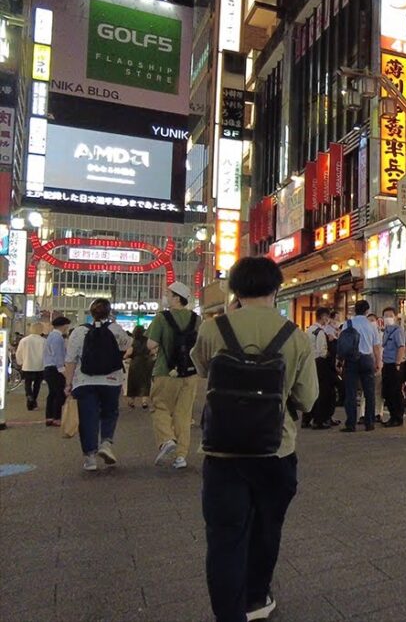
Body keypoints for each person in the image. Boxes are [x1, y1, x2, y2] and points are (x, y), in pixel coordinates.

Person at [191, 256, 317, 622]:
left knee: (225, 537)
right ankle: (256, 599)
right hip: (276, 452)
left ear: (235, 291)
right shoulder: (294, 335)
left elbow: (202, 368)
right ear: (277, 289)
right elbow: (308, 399)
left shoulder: (214, 329)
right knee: (267, 529)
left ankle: (229, 614)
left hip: (222, 452)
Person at [64, 299, 133, 471]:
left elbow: (70, 360)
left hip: (84, 381)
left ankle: (90, 457)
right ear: (109, 312)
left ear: (90, 313)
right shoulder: (115, 330)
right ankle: (106, 443)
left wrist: (68, 383)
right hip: (111, 380)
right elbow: (128, 346)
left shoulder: (79, 332)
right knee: (110, 412)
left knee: (88, 418)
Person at [146, 281, 201, 470]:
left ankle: (167, 439)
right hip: (191, 373)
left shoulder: (162, 318)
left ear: (177, 297)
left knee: (159, 407)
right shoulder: (196, 319)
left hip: (165, 371)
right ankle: (181, 457)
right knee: (183, 414)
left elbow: (150, 345)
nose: (166, 297)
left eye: (168, 294)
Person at [340, 300, 382, 432]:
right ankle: (369, 423)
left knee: (351, 392)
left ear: (354, 310)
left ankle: (350, 424)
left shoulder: (348, 323)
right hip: (367, 359)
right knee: (369, 392)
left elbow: (343, 344)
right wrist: (378, 362)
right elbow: (376, 346)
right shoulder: (372, 326)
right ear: (367, 311)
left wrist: (339, 361)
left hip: (351, 360)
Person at [305, 307, 337, 429]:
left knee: (312, 390)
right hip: (321, 364)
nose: (328, 320)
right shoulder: (320, 332)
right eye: (327, 317)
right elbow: (322, 352)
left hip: (310, 362)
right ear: (323, 317)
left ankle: (307, 418)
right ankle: (320, 419)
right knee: (323, 392)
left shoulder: (309, 330)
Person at [380, 306, 406, 427]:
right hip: (386, 364)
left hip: (394, 365)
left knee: (395, 392)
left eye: (390, 316)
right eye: (386, 316)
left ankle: (398, 417)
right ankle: (392, 416)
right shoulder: (385, 331)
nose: (388, 318)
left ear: (396, 317)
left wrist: (397, 363)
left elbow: (401, 347)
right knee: (387, 392)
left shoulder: (398, 331)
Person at [43, 316, 72, 427]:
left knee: (52, 393)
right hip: (55, 369)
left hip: (48, 368)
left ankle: (49, 417)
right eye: (67, 325)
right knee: (59, 394)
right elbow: (58, 355)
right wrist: (64, 371)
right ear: (64, 325)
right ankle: (56, 417)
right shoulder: (57, 338)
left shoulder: (51, 336)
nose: (67, 328)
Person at [15, 322, 46, 411]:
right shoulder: (43, 341)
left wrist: (20, 362)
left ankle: (29, 396)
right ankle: (33, 401)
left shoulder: (24, 340)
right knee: (37, 385)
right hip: (40, 366)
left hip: (27, 365)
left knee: (27, 384)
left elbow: (19, 353)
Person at [125, 326, 154, 410]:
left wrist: (125, 356)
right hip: (146, 362)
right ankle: (144, 402)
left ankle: (131, 401)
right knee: (145, 382)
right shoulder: (148, 341)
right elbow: (153, 351)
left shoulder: (133, 342)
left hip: (135, 363)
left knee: (133, 382)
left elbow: (128, 353)